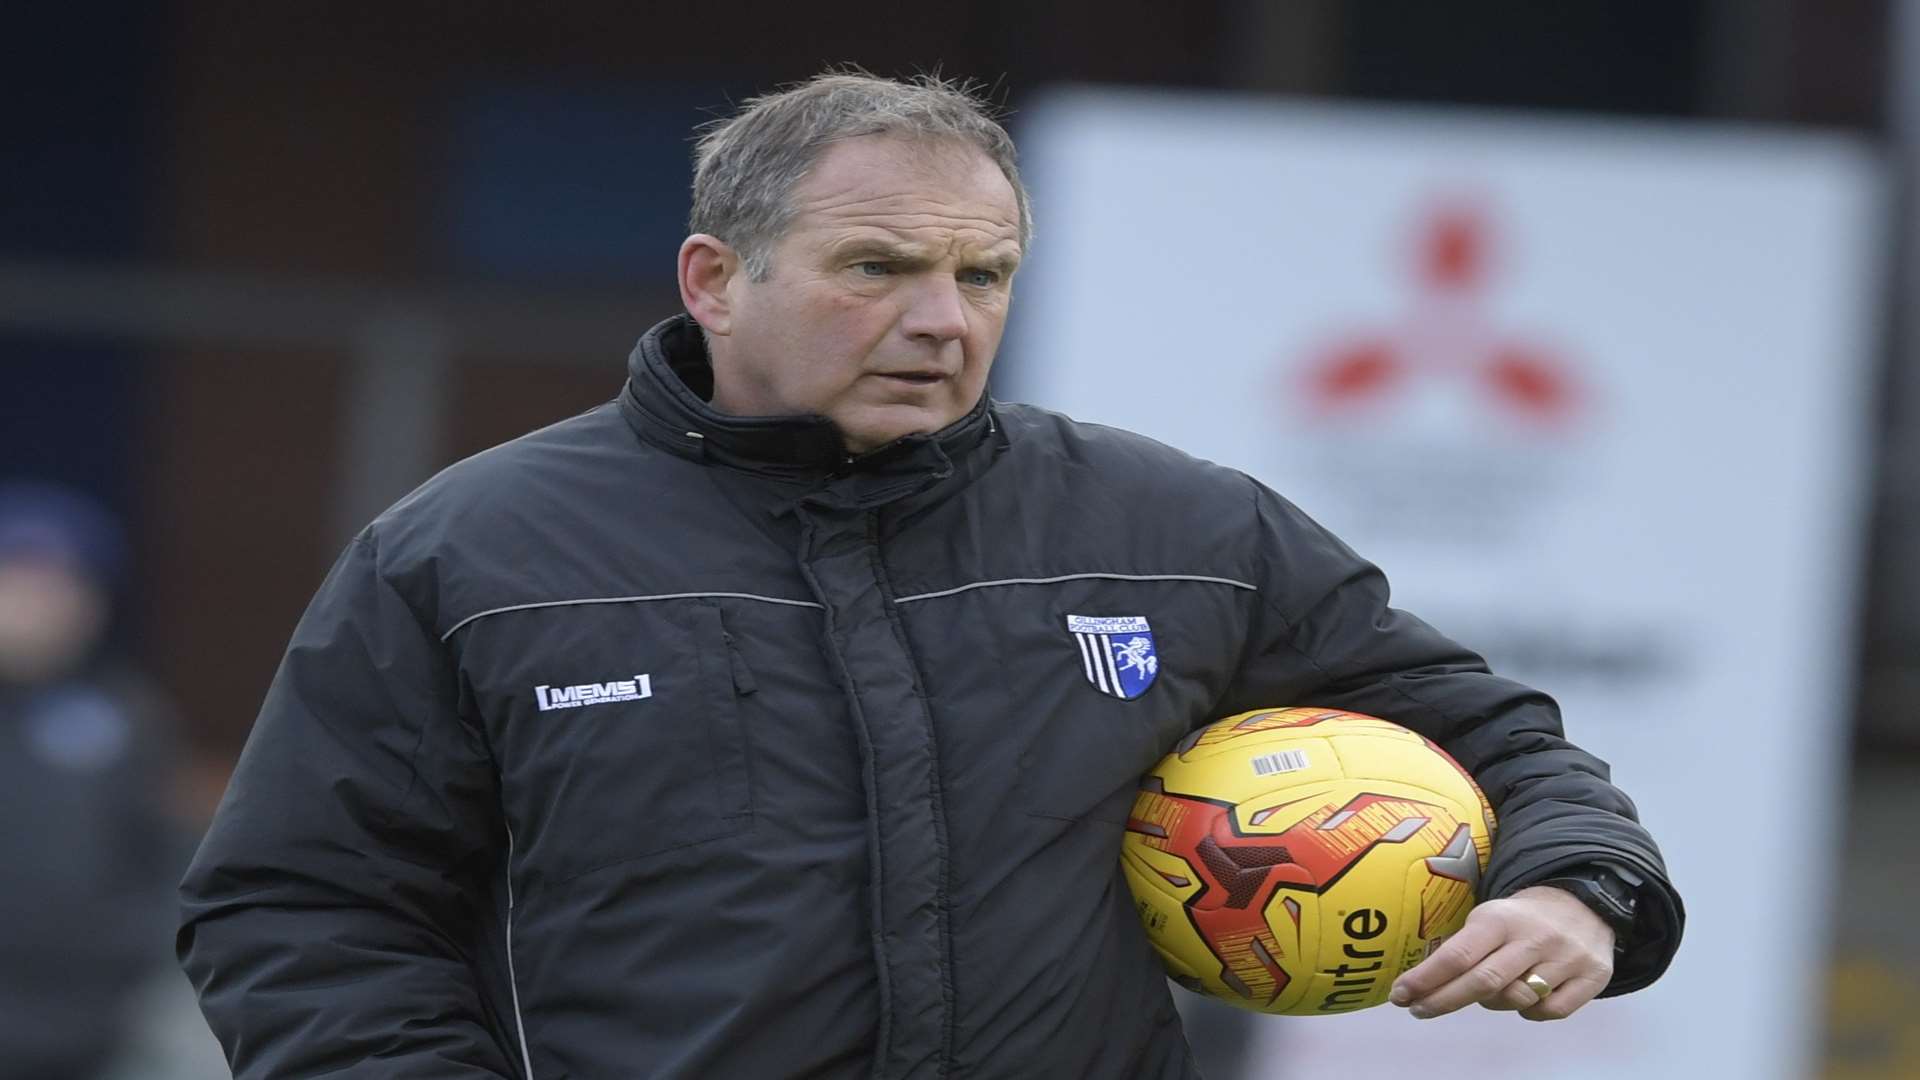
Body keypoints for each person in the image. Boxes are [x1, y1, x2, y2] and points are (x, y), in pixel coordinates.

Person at [179, 71, 1683, 1079]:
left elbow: (1486, 730)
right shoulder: (476, 553)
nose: (943, 320)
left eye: (984, 274)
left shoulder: (1177, 531)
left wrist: (1580, 886)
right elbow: (302, 909)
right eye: (877, 268)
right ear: (716, 280)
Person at [0, 483, 182, 1080]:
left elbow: (164, 860)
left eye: (56, 585)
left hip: (81, 1028)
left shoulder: (127, 717)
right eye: (16, 581)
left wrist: (123, 959)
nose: (32, 603)